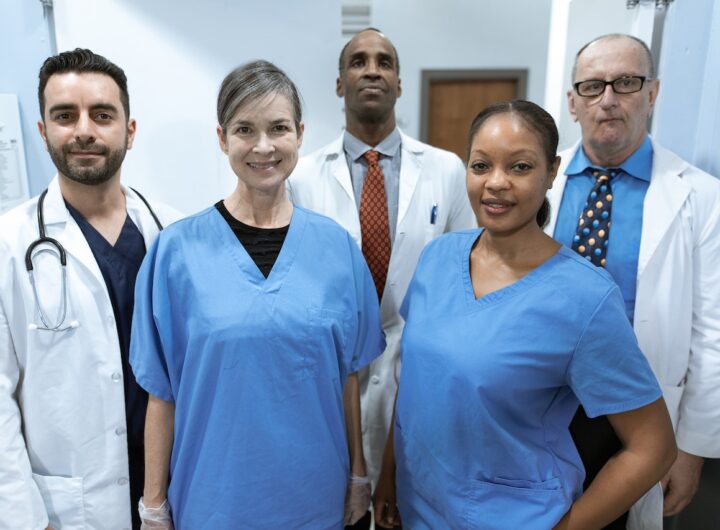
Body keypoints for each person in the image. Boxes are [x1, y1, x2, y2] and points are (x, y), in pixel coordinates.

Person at [373, 100, 677, 529]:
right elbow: (414, 383)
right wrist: (389, 476)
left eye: (519, 167)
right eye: (481, 166)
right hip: (418, 504)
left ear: (552, 172)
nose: (495, 183)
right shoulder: (438, 257)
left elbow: (654, 447)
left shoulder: (583, 298)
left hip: (511, 515)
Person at [130, 60, 384, 529]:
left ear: (300, 134)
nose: (263, 146)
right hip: (213, 498)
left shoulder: (336, 250)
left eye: (278, 128)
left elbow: (348, 378)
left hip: (315, 497)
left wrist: (357, 475)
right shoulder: (176, 252)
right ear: (223, 138)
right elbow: (160, 394)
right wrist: (153, 504)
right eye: (245, 129)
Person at [287, 29, 476, 524]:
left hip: (418, 366)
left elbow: (467, 278)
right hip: (331, 372)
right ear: (338, 84)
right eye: (358, 61)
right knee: (335, 508)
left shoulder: (445, 170)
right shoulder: (301, 178)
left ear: (398, 83)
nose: (372, 69)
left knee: (408, 511)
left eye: (384, 62)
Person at [0, 49, 181, 529]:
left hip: (173, 487)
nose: (83, 130)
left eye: (102, 115)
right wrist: (22, 518)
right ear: (42, 132)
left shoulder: (174, 233)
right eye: (64, 115)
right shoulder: (8, 244)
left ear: (130, 130)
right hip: (70, 507)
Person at [547, 34, 720, 529]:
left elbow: (712, 335)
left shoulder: (702, 198)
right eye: (592, 85)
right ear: (573, 103)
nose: (607, 99)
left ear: (652, 93)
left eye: (625, 82)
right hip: (546, 403)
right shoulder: (539, 182)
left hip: (639, 415)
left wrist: (690, 450)